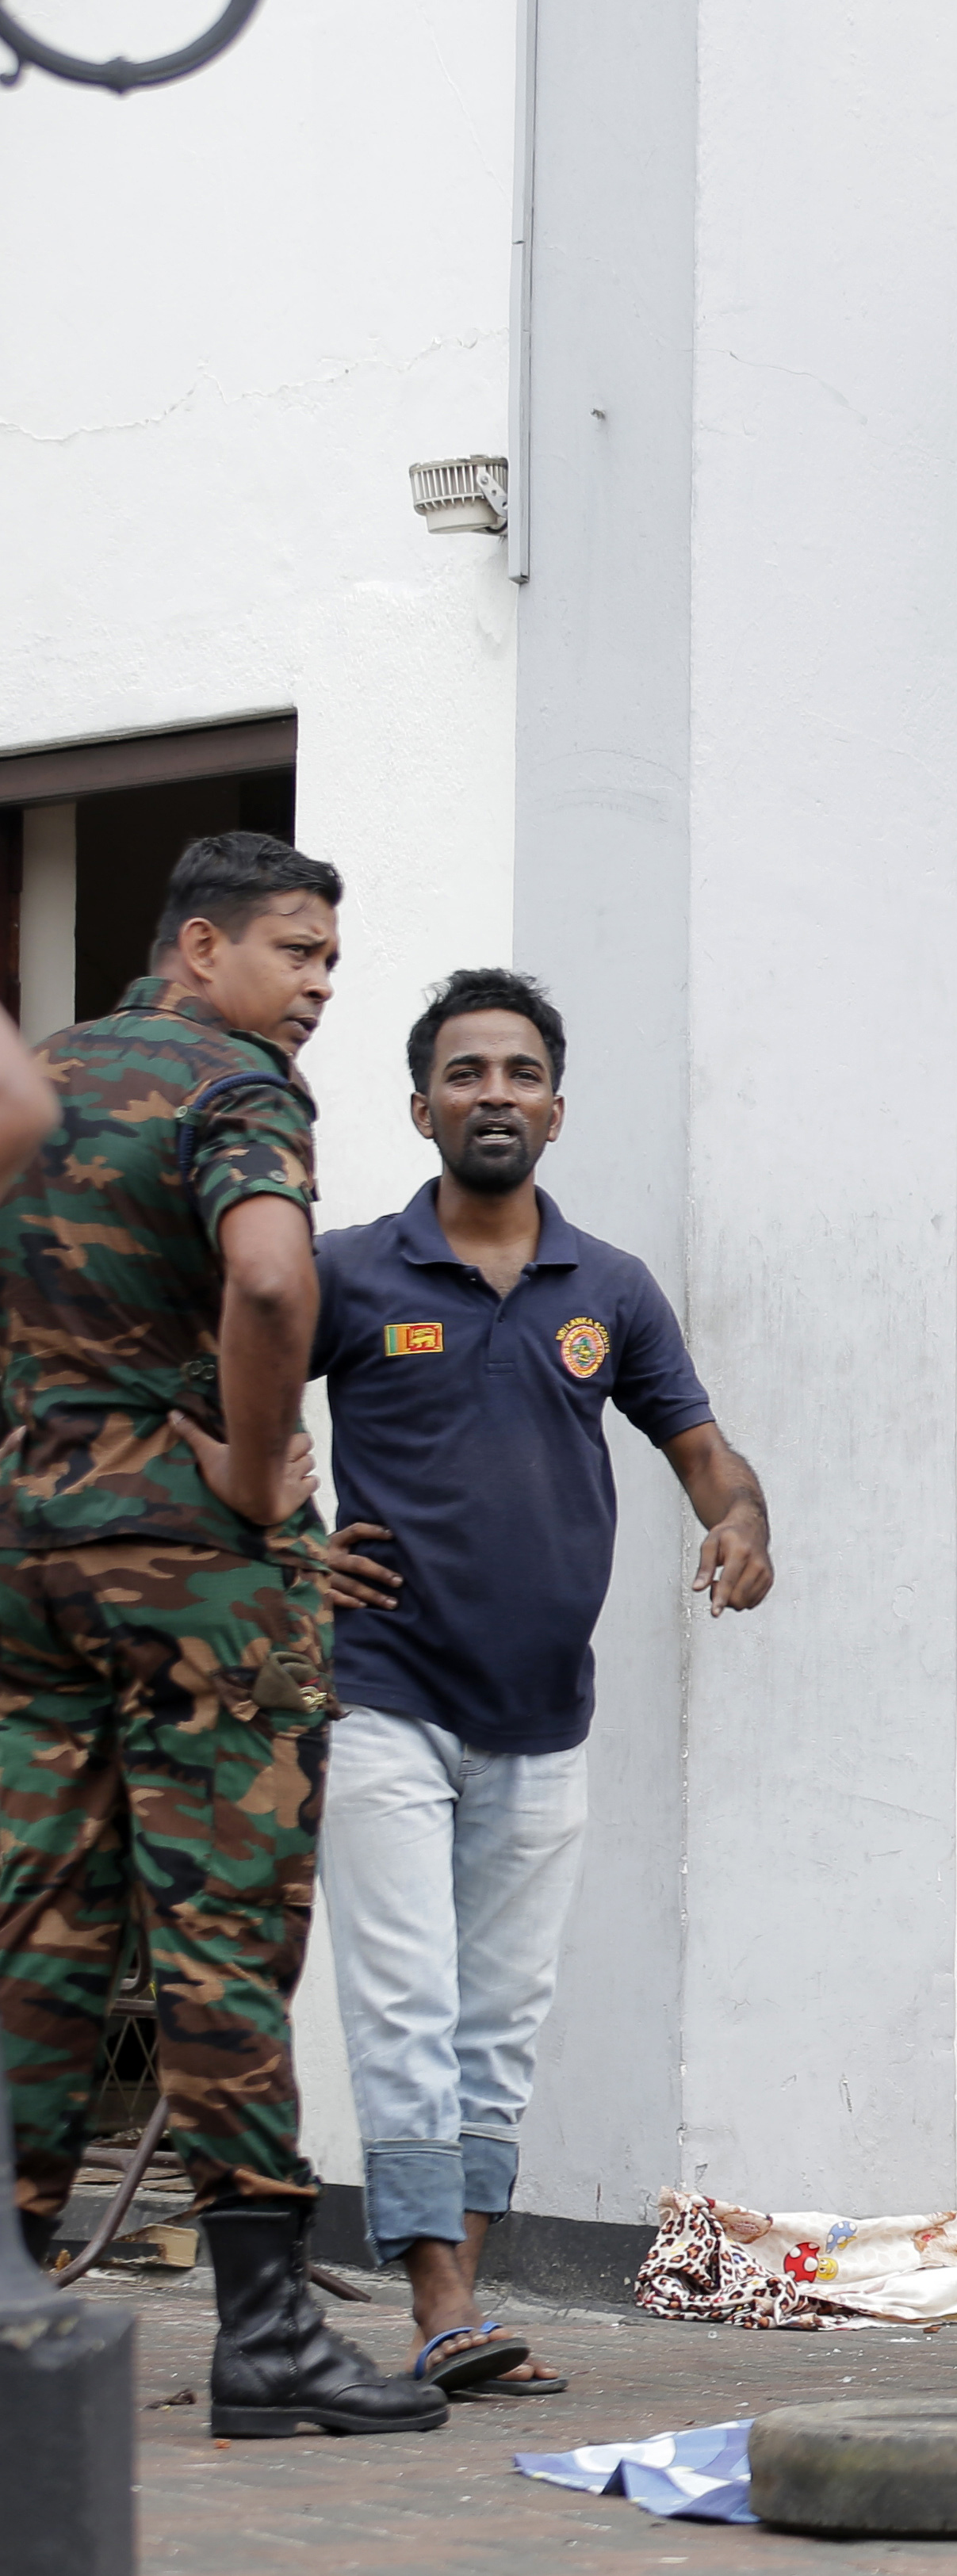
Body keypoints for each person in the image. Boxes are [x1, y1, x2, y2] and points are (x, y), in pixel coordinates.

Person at [0, 831, 457, 2434]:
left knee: (39, 1933)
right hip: (200, 1584)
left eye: (330, 960)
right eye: (293, 953)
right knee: (224, 1937)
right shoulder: (233, 1084)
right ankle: (266, 2335)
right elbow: (270, 1285)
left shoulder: (40, 1080)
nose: (319, 987)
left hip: (31, 1565)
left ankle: (15, 2300)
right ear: (197, 949)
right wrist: (263, 1478)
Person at [305, 967, 774, 2401]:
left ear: (555, 1110)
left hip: (542, 1718)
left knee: (498, 2015)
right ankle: (446, 2310)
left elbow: (702, 1449)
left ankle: (461, 2301)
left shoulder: (610, 1289)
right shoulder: (346, 1272)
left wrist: (742, 1520)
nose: (492, 1093)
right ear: (421, 1106)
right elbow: (222, 1407)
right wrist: (284, 1545)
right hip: (383, 1696)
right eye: (465, 1072)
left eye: (518, 1072)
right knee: (405, 2003)